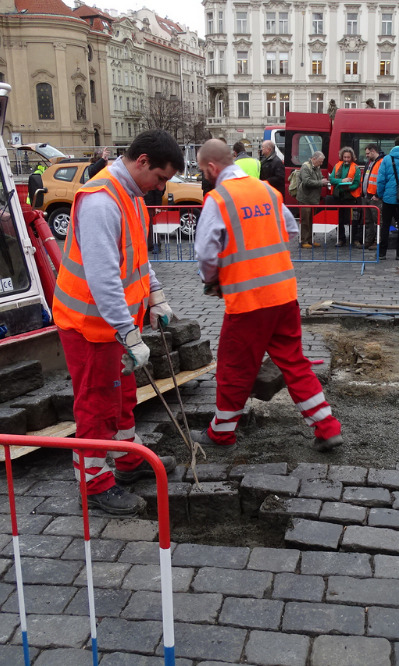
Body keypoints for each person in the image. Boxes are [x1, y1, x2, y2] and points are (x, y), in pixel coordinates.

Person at [52, 129, 183, 515]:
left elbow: (138, 258)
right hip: (90, 326)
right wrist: (127, 331)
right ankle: (93, 482)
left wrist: (155, 297)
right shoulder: (100, 201)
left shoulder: (131, 196)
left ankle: (127, 461)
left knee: (122, 394)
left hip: (114, 326)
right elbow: (104, 276)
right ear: (141, 161)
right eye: (160, 177)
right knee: (96, 403)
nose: (161, 186)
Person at [191, 139, 343, 451]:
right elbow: (289, 231)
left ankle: (221, 433)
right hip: (283, 295)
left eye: (201, 170)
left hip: (248, 301)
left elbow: (206, 254)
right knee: (294, 362)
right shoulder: (268, 192)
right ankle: (327, 426)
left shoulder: (218, 199)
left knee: (233, 367)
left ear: (211, 168)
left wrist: (214, 280)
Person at [328, 147, 362, 247]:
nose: (346, 159)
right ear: (342, 157)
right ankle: (341, 239)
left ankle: (354, 239)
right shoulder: (337, 166)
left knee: (354, 219)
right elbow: (332, 179)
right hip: (339, 197)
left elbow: (356, 183)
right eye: (345, 157)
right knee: (340, 220)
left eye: (348, 157)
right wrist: (342, 182)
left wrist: (348, 187)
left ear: (352, 157)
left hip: (351, 198)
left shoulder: (356, 168)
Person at [296, 151, 328, 249]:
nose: (321, 164)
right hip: (305, 198)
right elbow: (306, 181)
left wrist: (324, 180)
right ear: (314, 159)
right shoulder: (306, 167)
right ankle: (304, 240)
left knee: (312, 220)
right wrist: (320, 182)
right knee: (305, 220)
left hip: (313, 199)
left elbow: (319, 178)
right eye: (320, 161)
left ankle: (310, 240)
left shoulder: (317, 167)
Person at [359, 144, 385, 249]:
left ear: (373, 151)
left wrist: (378, 194)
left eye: (368, 153)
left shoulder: (381, 162)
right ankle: (369, 241)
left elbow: (382, 180)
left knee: (378, 221)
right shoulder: (370, 163)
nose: (366, 155)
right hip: (367, 196)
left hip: (375, 197)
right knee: (368, 221)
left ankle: (377, 242)